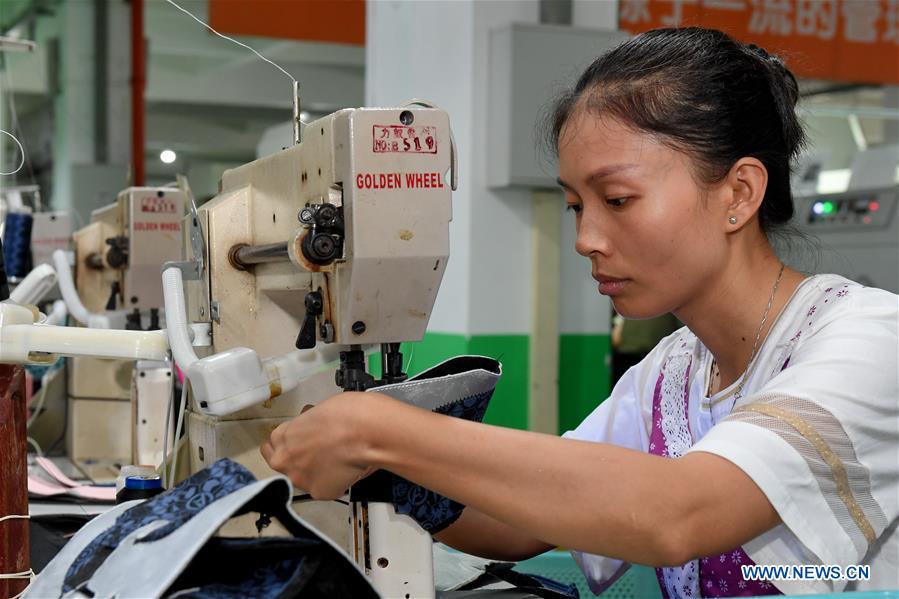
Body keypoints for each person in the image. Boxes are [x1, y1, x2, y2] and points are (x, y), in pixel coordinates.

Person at [260, 28, 898, 597]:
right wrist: (390, 474)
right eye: (575, 206)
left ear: (738, 193)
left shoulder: (870, 340)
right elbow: (524, 519)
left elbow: (679, 514)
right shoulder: (674, 372)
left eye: (617, 200)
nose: (586, 238)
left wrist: (379, 430)